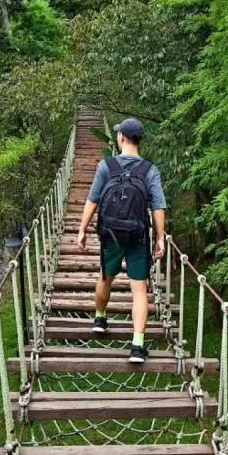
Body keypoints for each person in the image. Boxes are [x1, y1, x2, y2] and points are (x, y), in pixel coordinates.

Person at [76, 118, 167, 363]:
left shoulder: (107, 166)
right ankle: (137, 346)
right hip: (137, 236)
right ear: (140, 140)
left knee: (106, 275)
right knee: (139, 289)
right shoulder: (150, 170)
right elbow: (158, 206)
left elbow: (93, 199)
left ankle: (100, 318)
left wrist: (82, 229)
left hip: (110, 233)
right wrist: (160, 238)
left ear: (121, 138)